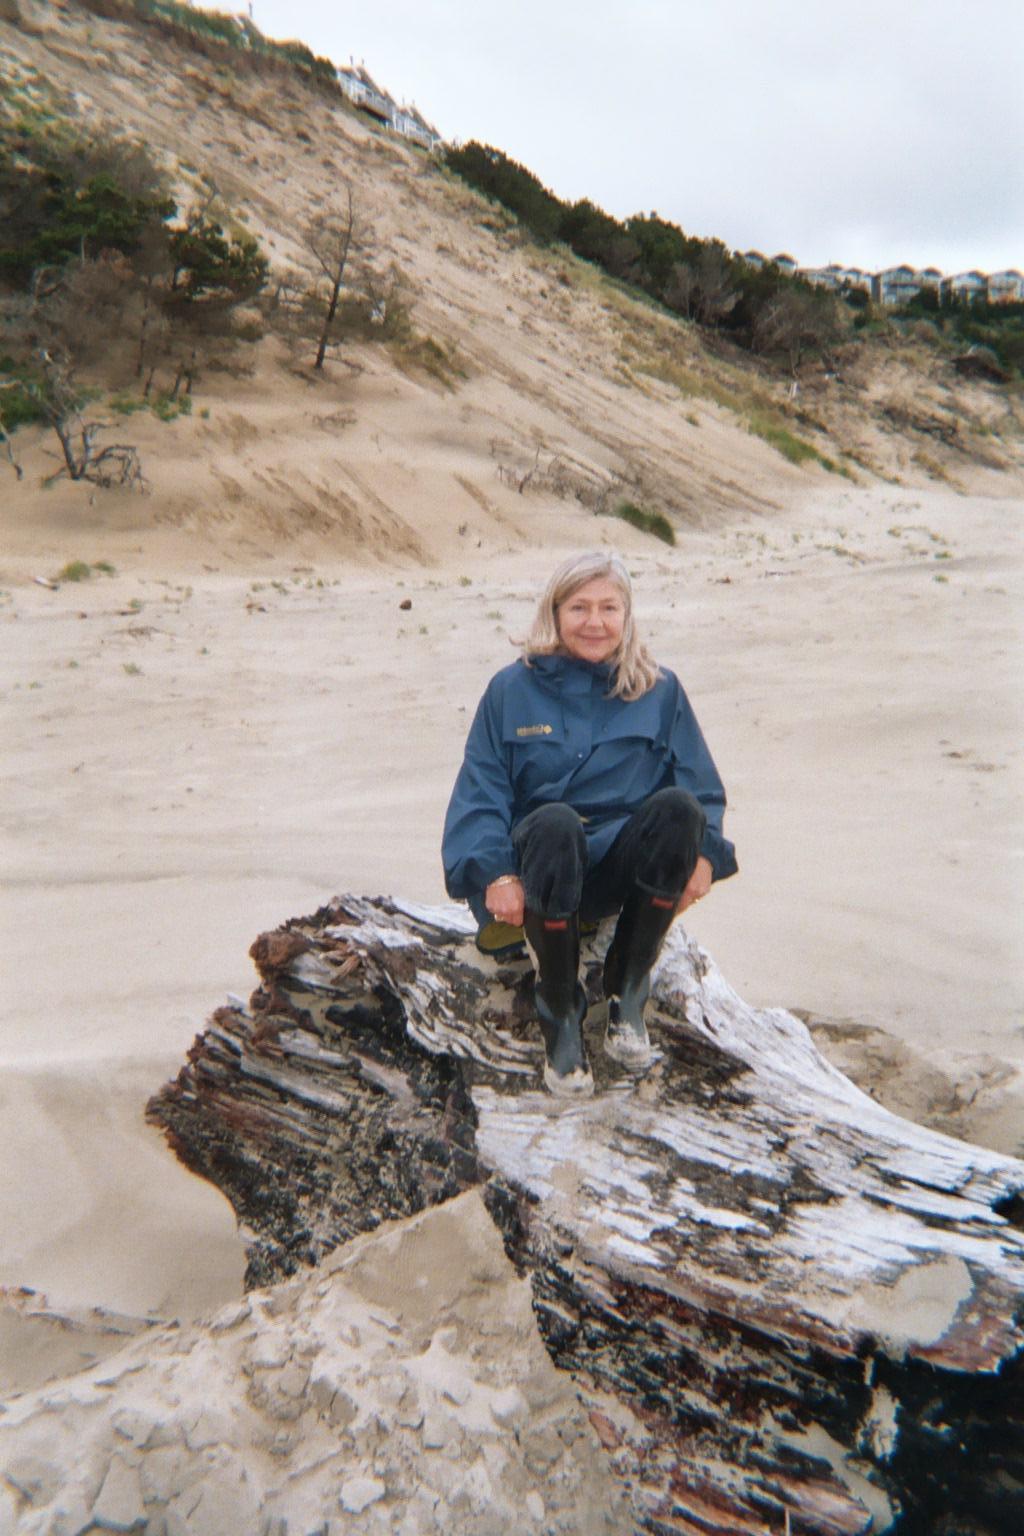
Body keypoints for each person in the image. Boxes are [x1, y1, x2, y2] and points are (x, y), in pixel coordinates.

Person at [442, 551, 737, 1096]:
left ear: (628, 616)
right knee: (554, 821)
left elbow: (700, 784)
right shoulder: (511, 690)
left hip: (620, 872)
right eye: (579, 607)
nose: (595, 622)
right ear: (554, 612)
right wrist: (495, 873)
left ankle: (628, 987)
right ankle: (560, 1013)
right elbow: (480, 791)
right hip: (544, 867)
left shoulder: (660, 688)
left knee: (680, 811)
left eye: (609, 607)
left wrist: (706, 855)